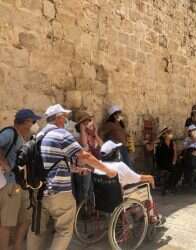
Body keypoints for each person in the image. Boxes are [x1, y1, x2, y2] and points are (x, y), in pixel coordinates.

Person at [27, 104, 117, 250]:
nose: (66, 120)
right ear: (58, 118)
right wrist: (107, 170)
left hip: (39, 191)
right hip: (59, 192)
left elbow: (53, 162)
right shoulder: (61, 134)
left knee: (37, 229)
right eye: (64, 117)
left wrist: (76, 169)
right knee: (64, 231)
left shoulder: (39, 136)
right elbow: (84, 155)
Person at [0, 109, 41, 250]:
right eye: (32, 121)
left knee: (25, 218)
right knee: (7, 223)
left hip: (20, 185)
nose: (33, 125)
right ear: (25, 122)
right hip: (9, 184)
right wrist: (3, 163)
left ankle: (16, 246)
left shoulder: (22, 137)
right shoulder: (10, 133)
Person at [72, 111, 103, 203]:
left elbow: (102, 145)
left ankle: (88, 211)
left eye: (89, 120)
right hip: (82, 166)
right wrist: (82, 128)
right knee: (84, 190)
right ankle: (81, 212)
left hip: (92, 166)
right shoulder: (78, 136)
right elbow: (85, 146)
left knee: (90, 190)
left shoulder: (92, 136)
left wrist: (95, 133)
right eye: (86, 121)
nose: (89, 123)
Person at [155, 127, 180, 195]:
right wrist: (160, 134)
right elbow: (155, 149)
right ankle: (169, 187)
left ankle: (171, 186)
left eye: (170, 133)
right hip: (162, 162)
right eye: (168, 133)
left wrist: (174, 161)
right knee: (174, 170)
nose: (170, 134)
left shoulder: (172, 142)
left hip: (170, 161)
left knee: (178, 168)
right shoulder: (160, 142)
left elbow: (175, 153)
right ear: (164, 134)